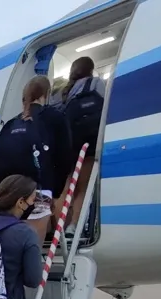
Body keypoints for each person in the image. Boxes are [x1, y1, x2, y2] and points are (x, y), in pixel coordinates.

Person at [0, 75, 73, 245]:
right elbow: (64, 158)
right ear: (46, 95)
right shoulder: (55, 118)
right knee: (32, 244)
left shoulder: (11, 124)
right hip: (38, 190)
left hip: (8, 194)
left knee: (10, 245)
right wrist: (55, 192)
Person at [50, 56, 106, 235]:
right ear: (90, 70)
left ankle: (59, 229)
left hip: (67, 144)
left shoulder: (61, 92)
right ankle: (73, 227)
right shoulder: (95, 83)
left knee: (65, 189)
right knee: (82, 188)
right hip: (87, 143)